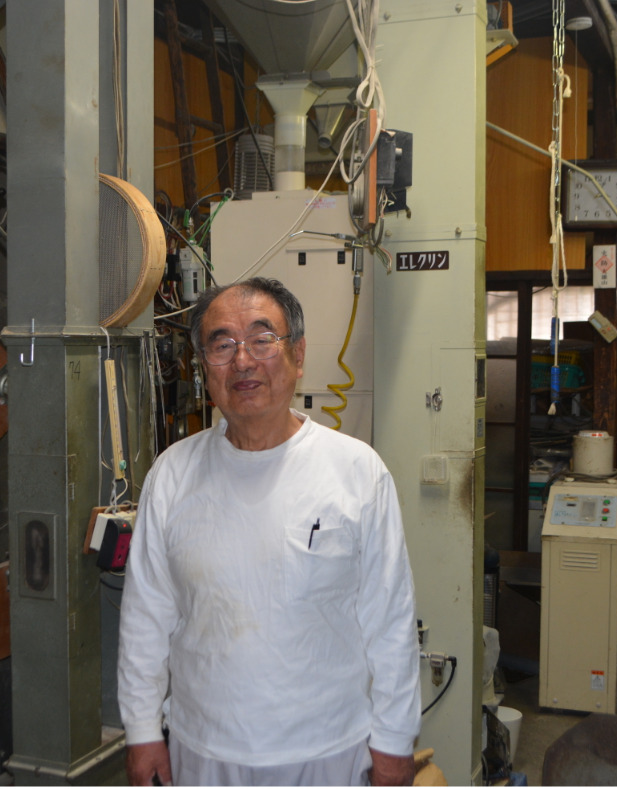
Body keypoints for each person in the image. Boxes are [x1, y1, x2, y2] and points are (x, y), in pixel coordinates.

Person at [118, 277, 420, 786]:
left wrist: (394, 742)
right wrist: (142, 731)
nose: (243, 361)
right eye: (222, 345)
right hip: (204, 749)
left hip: (329, 749)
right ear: (204, 367)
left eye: (262, 340)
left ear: (298, 355)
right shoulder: (172, 475)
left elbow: (390, 622)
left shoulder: (356, 472)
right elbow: (146, 617)